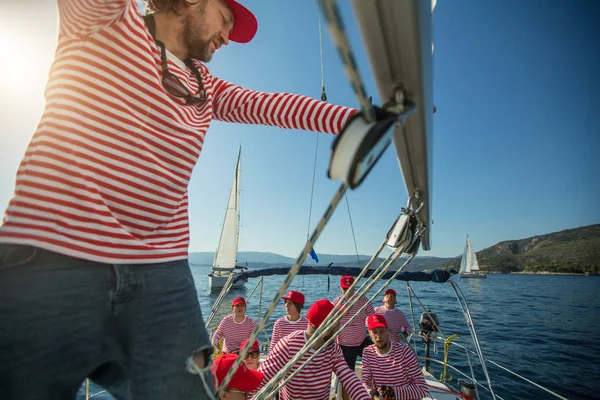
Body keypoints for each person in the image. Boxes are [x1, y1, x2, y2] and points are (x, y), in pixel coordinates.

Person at [0, 0, 357, 398]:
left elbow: (271, 106)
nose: (227, 37)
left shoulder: (205, 85)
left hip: (159, 275)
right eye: (225, 20)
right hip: (53, 258)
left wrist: (356, 122)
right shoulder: (102, 23)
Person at [250, 299, 371, 400]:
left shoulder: (333, 348)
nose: (340, 327)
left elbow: (349, 378)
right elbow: (258, 381)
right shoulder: (288, 346)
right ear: (325, 329)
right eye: (337, 323)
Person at [361, 314, 429, 400]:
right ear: (369, 333)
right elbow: (364, 383)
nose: (378, 336)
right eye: (374, 332)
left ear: (387, 330)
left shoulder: (405, 352)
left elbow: (423, 389)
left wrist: (392, 391)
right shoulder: (367, 353)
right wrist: (371, 393)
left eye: (381, 331)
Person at [333, 276, 375, 400]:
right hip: (345, 346)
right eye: (345, 290)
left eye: (351, 289)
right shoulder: (336, 304)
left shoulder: (362, 300)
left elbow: (373, 316)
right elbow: (330, 324)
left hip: (362, 341)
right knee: (348, 379)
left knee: (377, 364)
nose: (349, 293)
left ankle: (375, 394)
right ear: (341, 288)